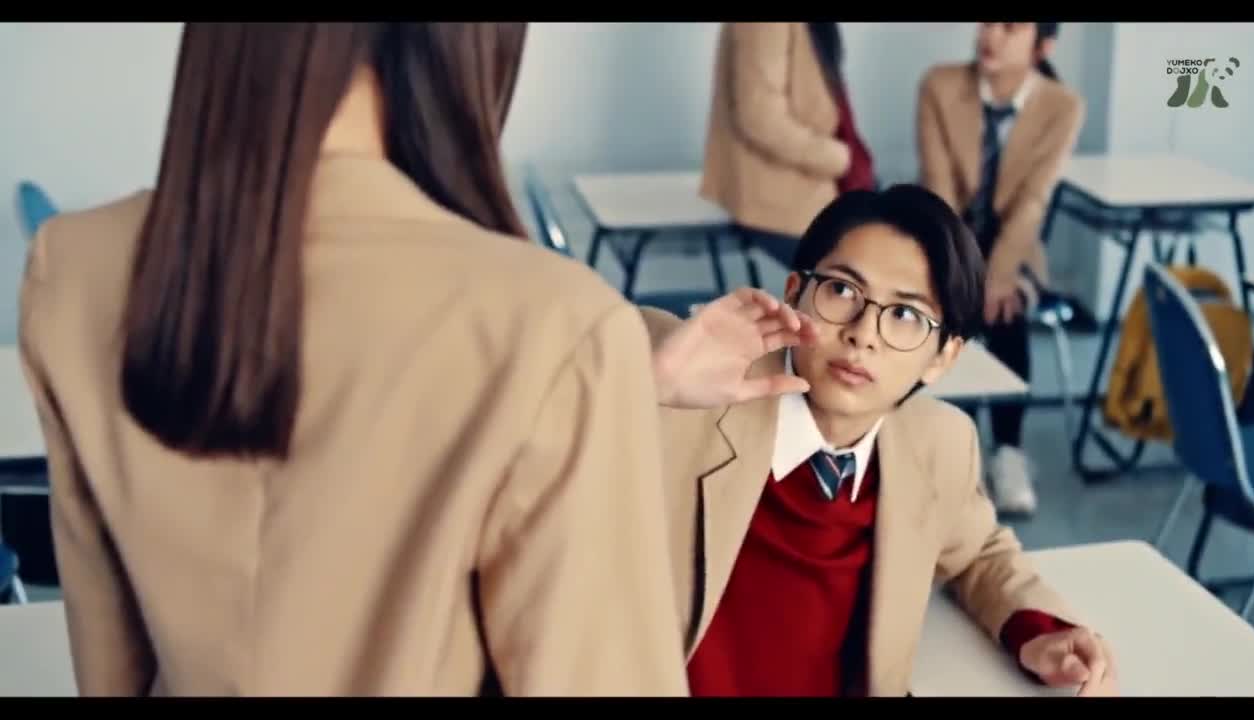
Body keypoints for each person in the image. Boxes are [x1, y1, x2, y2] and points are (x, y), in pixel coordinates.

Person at [17, 22, 813, 697]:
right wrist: (594, 388)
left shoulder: (74, 268)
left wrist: (615, 385)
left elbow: (111, 667)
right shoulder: (552, 324)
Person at [640, 186, 1118, 697]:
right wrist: (649, 383)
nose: (863, 334)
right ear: (794, 293)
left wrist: (1039, 630)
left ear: (943, 357)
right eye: (842, 290)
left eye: (906, 315)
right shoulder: (684, 388)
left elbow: (980, 552)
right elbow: (587, 372)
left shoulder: (937, 442)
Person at [916, 22, 1085, 514]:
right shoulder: (940, 86)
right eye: (988, 22)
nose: (991, 35)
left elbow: (1033, 202)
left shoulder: (1062, 106)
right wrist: (966, 274)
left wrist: (1000, 274)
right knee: (961, 309)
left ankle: (1008, 451)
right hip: (946, 236)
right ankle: (959, 452)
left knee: (1006, 307)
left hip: (1017, 246)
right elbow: (939, 191)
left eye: (1011, 27)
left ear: (1042, 46)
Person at [701, 22, 876, 268]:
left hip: (812, 189)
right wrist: (841, 159)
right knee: (858, 272)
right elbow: (761, 119)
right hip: (782, 199)